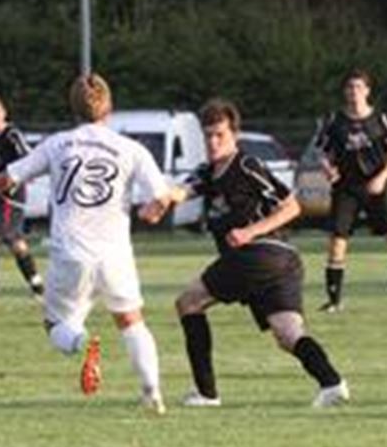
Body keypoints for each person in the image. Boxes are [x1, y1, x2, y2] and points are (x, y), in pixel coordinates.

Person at [0, 74, 170, 413]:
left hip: (70, 253)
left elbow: (6, 178)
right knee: (131, 321)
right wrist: (155, 209)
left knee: (55, 324)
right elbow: (161, 196)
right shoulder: (131, 148)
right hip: (114, 255)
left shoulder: (58, 144)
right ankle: (152, 392)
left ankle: (80, 341)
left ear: (73, 107)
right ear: (108, 107)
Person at [142, 98, 350, 408]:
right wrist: (161, 203)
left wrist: (250, 232)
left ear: (234, 135)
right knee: (287, 333)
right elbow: (181, 190)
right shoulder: (208, 172)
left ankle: (206, 393)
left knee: (188, 302)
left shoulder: (246, 165)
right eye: (208, 135)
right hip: (279, 262)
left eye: (220, 135)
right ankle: (332, 383)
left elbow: (291, 206)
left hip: (259, 254)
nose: (213, 142)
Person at [315, 68, 387, 313]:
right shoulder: (335, 121)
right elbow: (322, 152)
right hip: (346, 188)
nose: (353, 92)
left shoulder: (379, 119)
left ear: (367, 91)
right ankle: (334, 301)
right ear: (344, 92)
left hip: (376, 188)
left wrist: (381, 178)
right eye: (349, 87)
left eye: (358, 87)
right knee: (337, 242)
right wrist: (327, 168)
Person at [0, 93, 44, 303]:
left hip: (10, 196)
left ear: (4, 113)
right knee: (16, 243)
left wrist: (18, 180)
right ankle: (38, 287)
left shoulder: (12, 134)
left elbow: (29, 159)